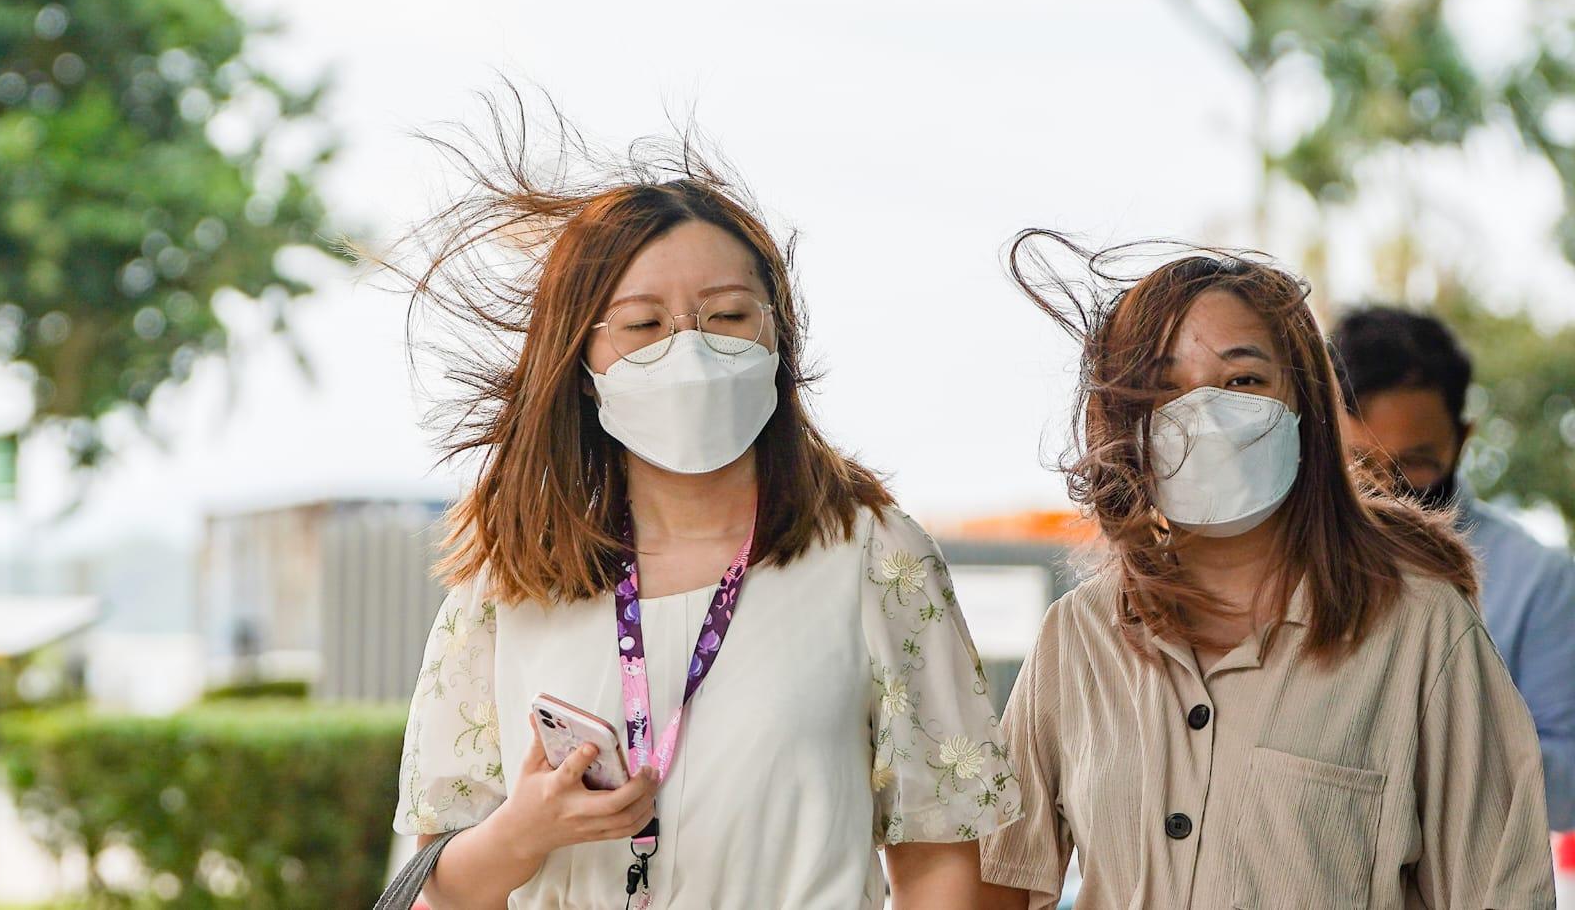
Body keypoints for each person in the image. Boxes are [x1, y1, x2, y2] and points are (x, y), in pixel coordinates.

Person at [387, 104, 1020, 910]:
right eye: (644, 326)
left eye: (725, 317)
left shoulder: (872, 554)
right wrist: (525, 831)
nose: (688, 349)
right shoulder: (507, 585)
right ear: (581, 361)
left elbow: (936, 862)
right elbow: (438, 889)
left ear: (779, 339)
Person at [978, 235, 1555, 909]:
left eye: (1243, 380)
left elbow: (1500, 893)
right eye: (1166, 387)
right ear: (1128, 420)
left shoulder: (1423, 633)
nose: (1205, 413)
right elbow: (1000, 884)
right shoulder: (1078, 637)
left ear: (1306, 409)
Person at [1331, 304, 1575, 832]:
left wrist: (1456, 738)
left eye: (1414, 463)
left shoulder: (1539, 580)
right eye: (1360, 464)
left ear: (1463, 439)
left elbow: (1569, 790)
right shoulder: (1282, 560)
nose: (1387, 491)